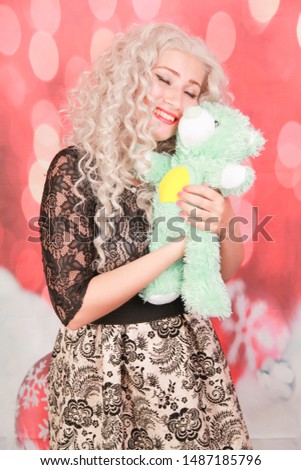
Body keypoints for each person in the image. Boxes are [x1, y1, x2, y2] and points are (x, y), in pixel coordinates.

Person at [39, 22, 251, 450]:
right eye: (163, 79)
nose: (176, 100)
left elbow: (226, 270)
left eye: (191, 91)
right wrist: (178, 243)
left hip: (188, 358)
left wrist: (222, 218)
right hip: (102, 369)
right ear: (130, 78)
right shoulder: (76, 169)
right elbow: (74, 307)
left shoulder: (186, 168)